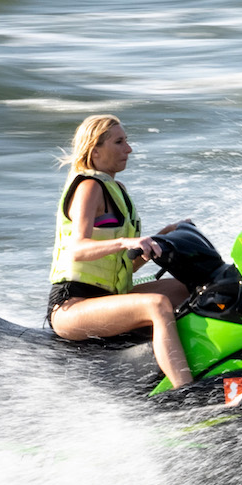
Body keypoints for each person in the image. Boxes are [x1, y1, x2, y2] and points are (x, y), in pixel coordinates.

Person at [46, 114, 195, 389]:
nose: (129, 149)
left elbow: (125, 265)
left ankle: (210, 364)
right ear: (95, 150)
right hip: (73, 306)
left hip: (111, 297)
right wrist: (126, 242)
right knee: (156, 305)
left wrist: (166, 235)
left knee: (188, 288)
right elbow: (77, 249)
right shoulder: (88, 187)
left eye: (126, 141)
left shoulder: (117, 190)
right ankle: (185, 390)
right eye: (119, 142)